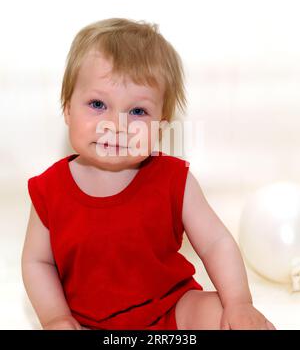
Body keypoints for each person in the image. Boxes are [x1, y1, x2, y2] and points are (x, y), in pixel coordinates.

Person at [21, 18, 276, 330]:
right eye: (98, 104)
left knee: (222, 314)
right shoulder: (49, 190)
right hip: (87, 320)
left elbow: (216, 243)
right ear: (67, 109)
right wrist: (56, 317)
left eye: (138, 112)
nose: (117, 125)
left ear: (161, 125)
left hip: (170, 308)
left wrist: (239, 302)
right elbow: (38, 262)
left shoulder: (173, 180)